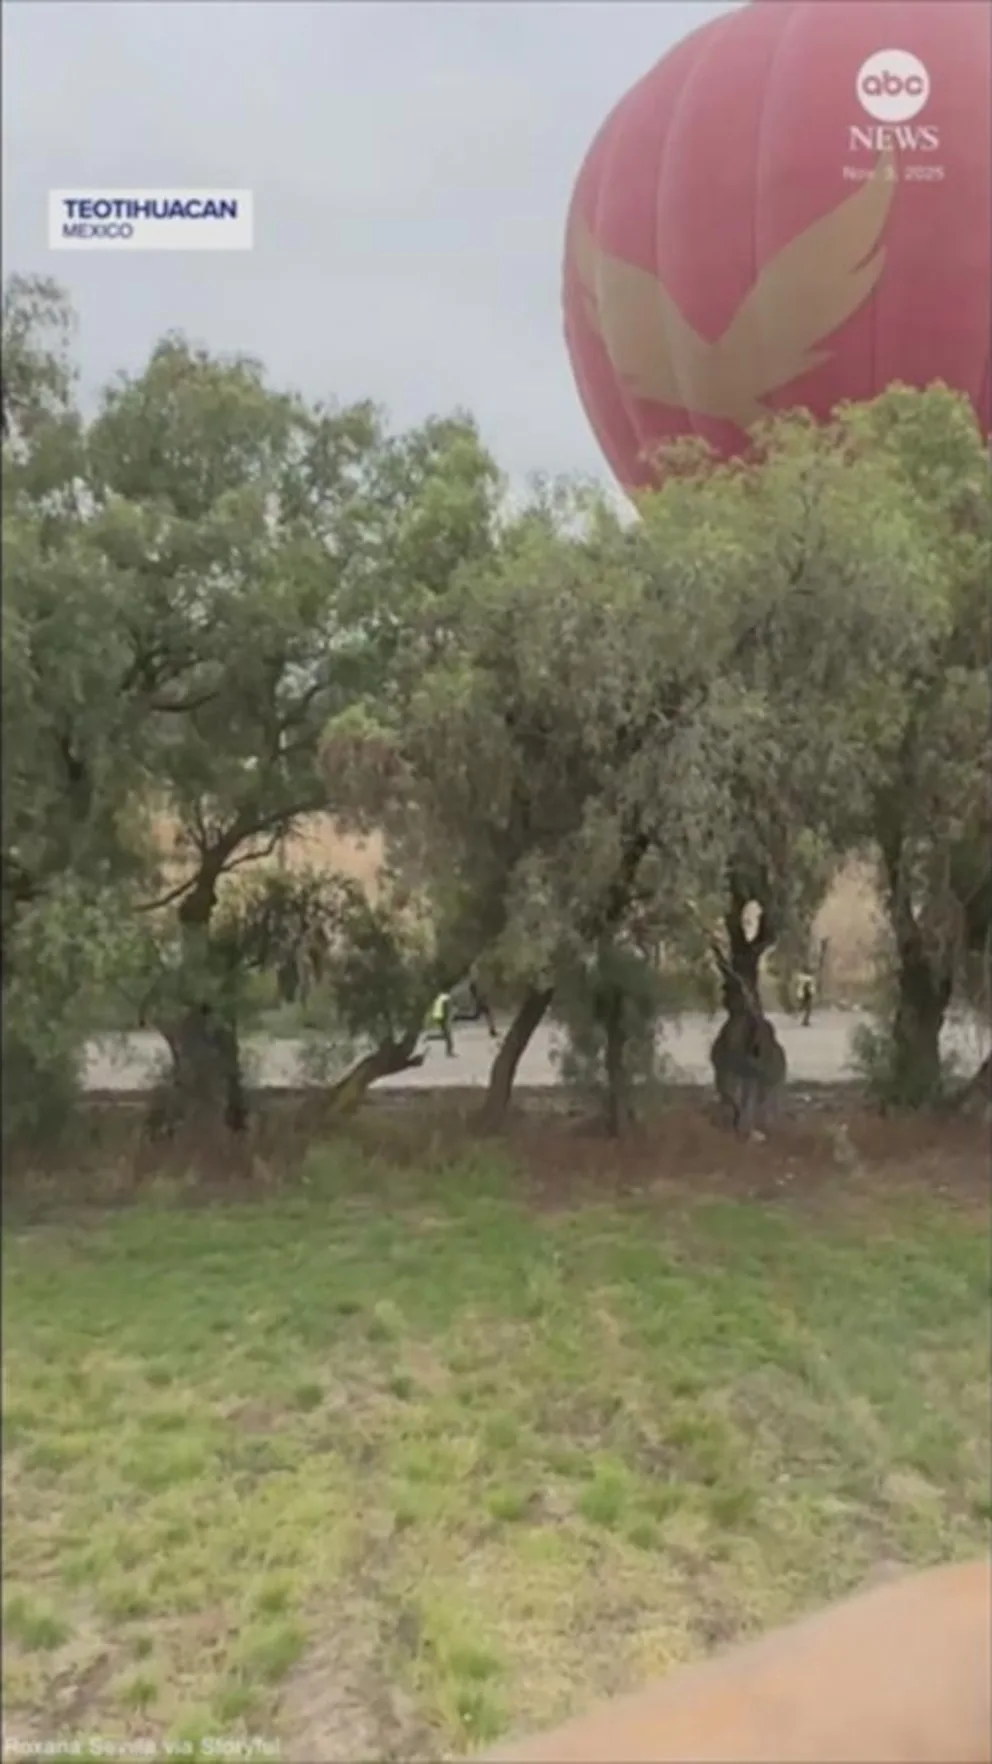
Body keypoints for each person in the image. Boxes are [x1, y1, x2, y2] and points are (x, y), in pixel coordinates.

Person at [427, 989, 455, 1057]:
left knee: (447, 1036)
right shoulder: (446, 999)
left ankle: (449, 1051)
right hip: (445, 1019)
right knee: (448, 1037)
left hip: (441, 1019)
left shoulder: (440, 998)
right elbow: (447, 1011)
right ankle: (449, 1052)